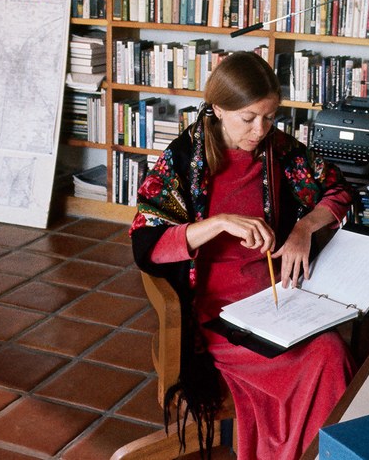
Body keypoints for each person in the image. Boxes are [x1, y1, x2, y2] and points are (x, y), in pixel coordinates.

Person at [129, 51, 356, 460]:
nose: (260, 130)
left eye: (270, 117)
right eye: (248, 118)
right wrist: (217, 223)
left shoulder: (280, 151)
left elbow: (338, 190)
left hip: (277, 298)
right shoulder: (183, 158)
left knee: (330, 351)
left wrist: (304, 228)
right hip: (217, 315)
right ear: (217, 108)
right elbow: (148, 244)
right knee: (318, 359)